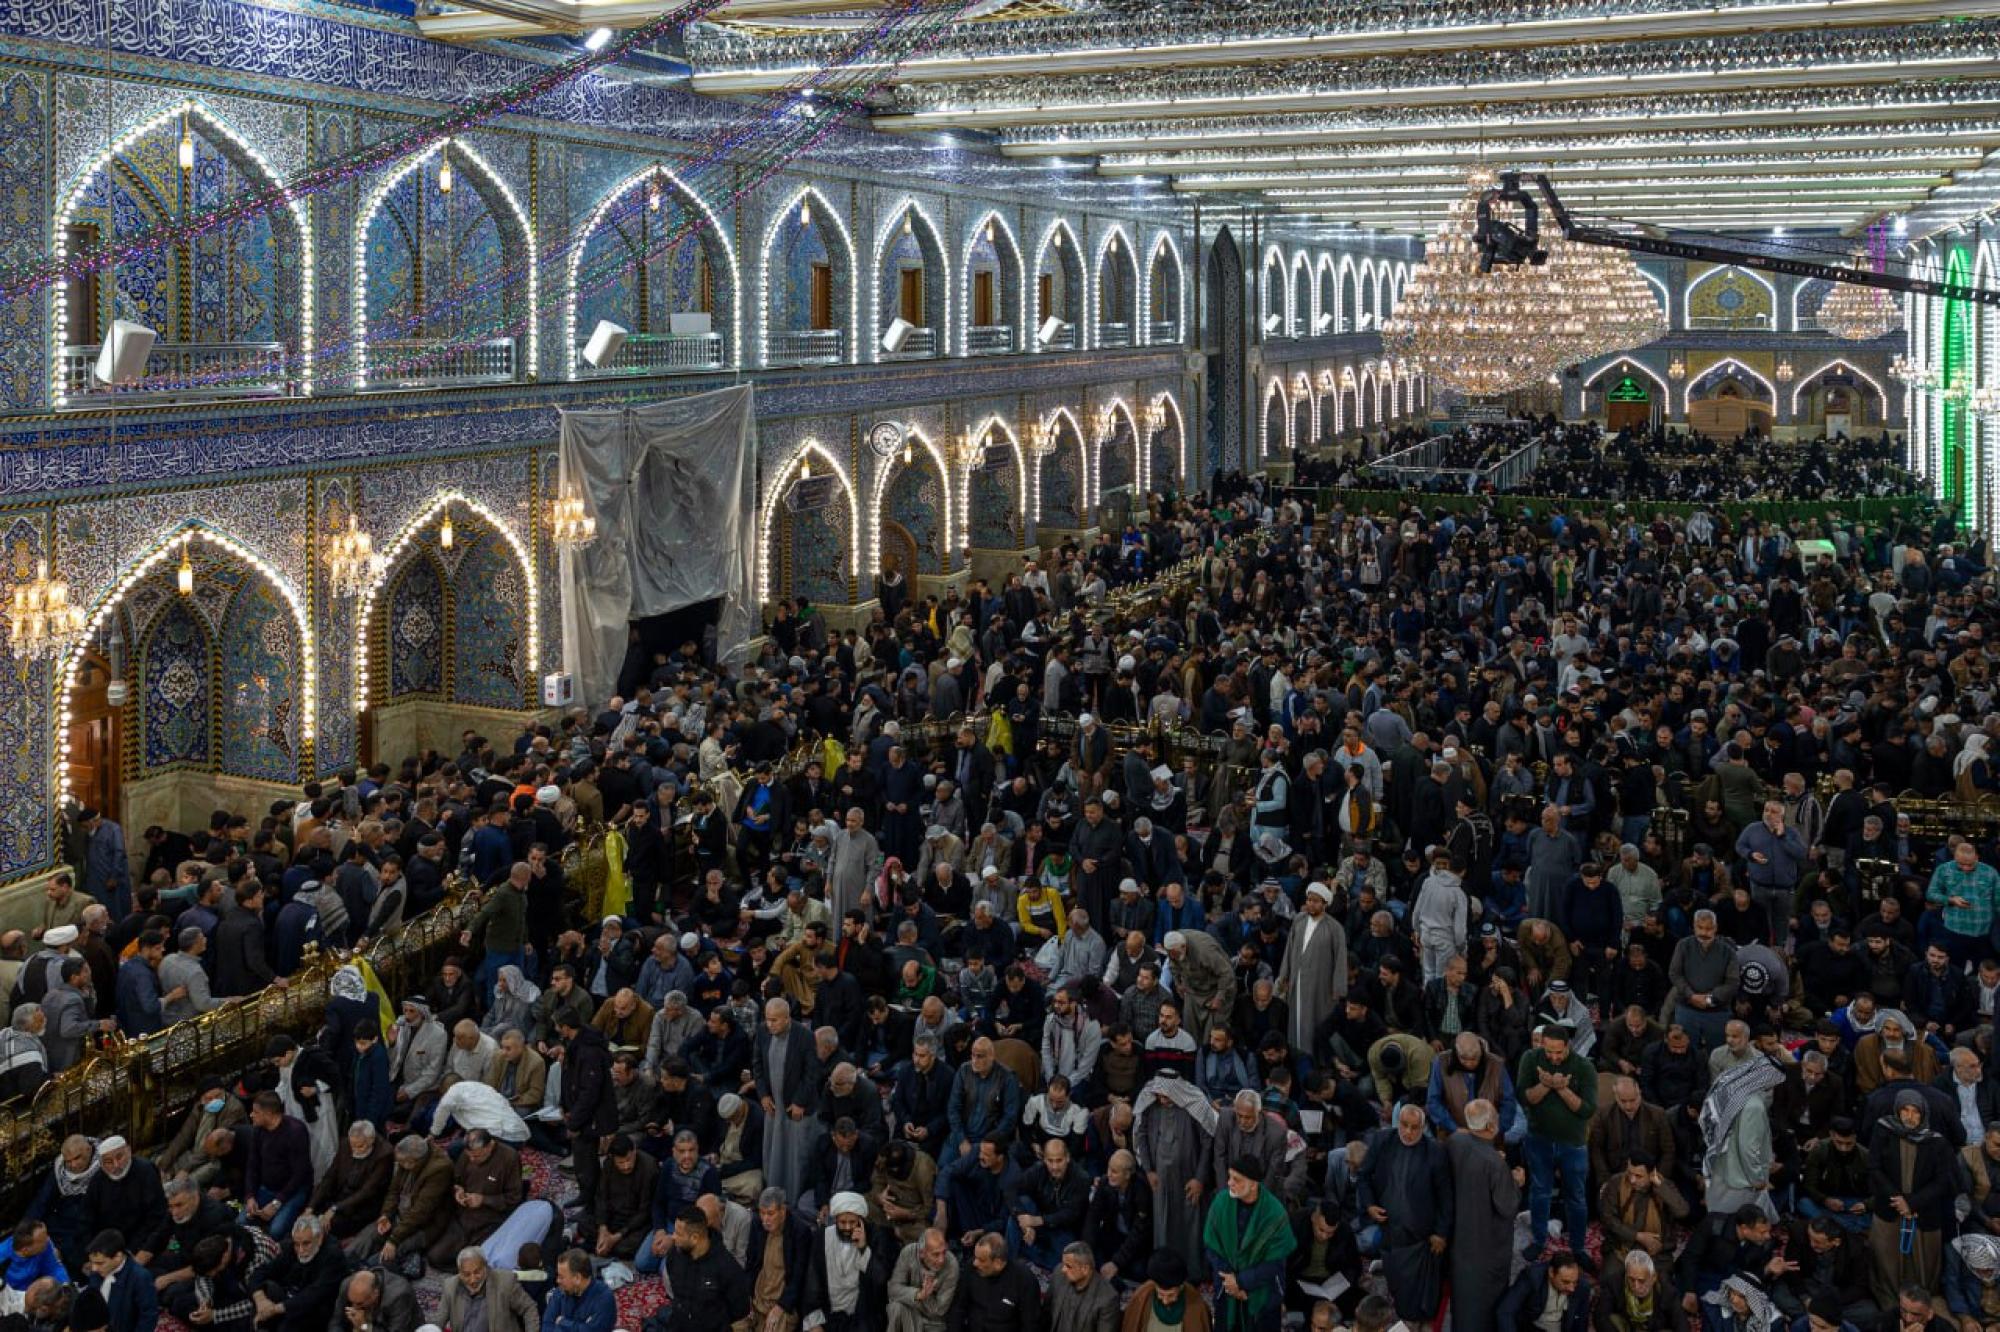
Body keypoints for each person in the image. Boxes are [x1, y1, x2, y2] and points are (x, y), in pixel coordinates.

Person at [1360, 1102, 1453, 1327]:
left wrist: (1441, 1232)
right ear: (1397, 1122)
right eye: (1404, 1125)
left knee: (1419, 1290)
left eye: (1414, 1127)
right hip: (1390, 1228)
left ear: (1423, 1128)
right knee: (1396, 1280)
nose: (1408, 1132)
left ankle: (1414, 1322)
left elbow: (1446, 1197)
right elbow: (1364, 1176)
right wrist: (1370, 1205)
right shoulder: (1382, 1141)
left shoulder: (1435, 1152)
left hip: (1421, 1236)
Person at [1867, 1089, 1955, 1306]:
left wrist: (1912, 1203)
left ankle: (1919, 1305)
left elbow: (1942, 1182)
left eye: (1916, 1112)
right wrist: (1898, 1200)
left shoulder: (1936, 1142)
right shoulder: (1884, 1130)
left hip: (1922, 1211)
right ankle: (1890, 1304)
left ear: (1923, 1114)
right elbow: (1874, 1168)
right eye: (1905, 1110)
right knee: (1888, 1259)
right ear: (1897, 1111)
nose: (1910, 1116)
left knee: (1921, 1263)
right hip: (1890, 1208)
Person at [1520, 1023, 1597, 1260]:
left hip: (1573, 1144)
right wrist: (1545, 1085)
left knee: (1576, 1196)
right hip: (1539, 1139)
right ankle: (1539, 1240)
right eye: (1549, 1051)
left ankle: (1578, 1247)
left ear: (1568, 1047)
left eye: (1559, 1052)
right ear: (1542, 1045)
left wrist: (1562, 1089)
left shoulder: (1584, 1067)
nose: (1554, 1057)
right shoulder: (1530, 1059)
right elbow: (1525, 1097)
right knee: (1540, 1192)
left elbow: (1587, 1110)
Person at [1447, 1099, 1521, 1332]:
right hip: (1486, 1248)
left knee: (1462, 1300)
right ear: (1490, 1126)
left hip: (1459, 1240)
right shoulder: (1495, 1164)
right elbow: (1508, 1206)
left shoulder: (1455, 1141)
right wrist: (1516, 1182)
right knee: (1485, 1306)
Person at [1133, 1068, 1213, 1280]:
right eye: (1159, 1095)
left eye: (1167, 1095)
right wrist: (1148, 1170)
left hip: (1189, 1178)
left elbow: (1207, 1142)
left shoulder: (1194, 1103)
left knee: (1191, 1226)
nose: (1163, 1099)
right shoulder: (1150, 1106)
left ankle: (1193, 1275)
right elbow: (1141, 1135)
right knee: (1163, 1225)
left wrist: (1199, 1178)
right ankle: (1164, 1275)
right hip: (1160, 1179)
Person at [1203, 1154, 1297, 1332]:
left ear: (1254, 1184)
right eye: (1230, 1177)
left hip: (1261, 1290)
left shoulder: (1274, 1213)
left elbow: (1275, 1262)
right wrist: (1231, 1281)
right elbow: (1211, 1246)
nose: (1229, 1183)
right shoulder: (1221, 1202)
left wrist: (1241, 1282)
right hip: (1227, 1286)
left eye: (1236, 1179)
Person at [802, 1193, 889, 1332]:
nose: (847, 1227)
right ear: (836, 1219)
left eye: (852, 1222)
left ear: (860, 1220)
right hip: (828, 1316)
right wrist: (814, 1323)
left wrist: (863, 1249)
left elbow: (880, 1281)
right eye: (842, 1222)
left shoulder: (875, 1237)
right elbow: (813, 1284)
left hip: (862, 1319)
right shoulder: (822, 1237)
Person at [655, 1206, 751, 1332]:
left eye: (679, 1234)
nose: (673, 1237)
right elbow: (675, 1293)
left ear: (694, 1238)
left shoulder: (727, 1267)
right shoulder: (675, 1255)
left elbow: (740, 1309)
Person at [247, 1215, 345, 1332]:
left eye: (306, 1243)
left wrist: (275, 1309)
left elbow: (314, 1295)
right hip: (290, 1299)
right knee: (266, 1289)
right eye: (297, 1244)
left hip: (315, 1311)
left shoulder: (333, 1256)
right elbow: (260, 1272)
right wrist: (261, 1300)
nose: (300, 1250)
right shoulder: (292, 1247)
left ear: (319, 1239)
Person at [944, 1232, 1041, 1332]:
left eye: (981, 1260)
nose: (975, 1263)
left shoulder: (1024, 1280)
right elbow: (957, 1308)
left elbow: (1030, 1325)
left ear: (998, 1263)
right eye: (975, 1257)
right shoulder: (971, 1268)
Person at [435, 1247, 539, 1332]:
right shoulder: (451, 1287)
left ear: (485, 1267)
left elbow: (529, 1308)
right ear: (460, 1273)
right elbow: (438, 1320)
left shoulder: (505, 1282)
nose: (472, 1280)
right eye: (467, 1274)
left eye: (477, 1272)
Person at [1498, 1252, 1594, 1332]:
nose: (1571, 1289)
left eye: (1575, 1282)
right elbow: (1505, 1312)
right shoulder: (1532, 1277)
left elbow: (1581, 1322)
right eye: (1565, 1282)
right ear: (1551, 1272)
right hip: (1532, 1326)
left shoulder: (1582, 1286)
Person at [885, 1228, 958, 1332]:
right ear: (922, 1253)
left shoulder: (952, 1265)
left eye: (944, 1252)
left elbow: (939, 1311)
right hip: (908, 1312)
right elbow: (893, 1290)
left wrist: (926, 1297)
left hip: (932, 1323)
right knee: (896, 1307)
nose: (941, 1260)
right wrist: (919, 1294)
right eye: (936, 1254)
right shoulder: (908, 1252)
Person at [82, 1229, 154, 1332]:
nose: (94, 1268)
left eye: (100, 1263)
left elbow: (148, 1317)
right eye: (92, 1262)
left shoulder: (140, 1278)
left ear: (118, 1257)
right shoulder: (97, 1273)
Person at [1047, 1240, 1118, 1332]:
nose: (1063, 1269)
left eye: (1068, 1266)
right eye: (1063, 1264)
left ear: (1085, 1269)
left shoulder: (1107, 1299)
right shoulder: (1058, 1275)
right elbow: (1045, 1316)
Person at [543, 1250, 615, 1332]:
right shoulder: (560, 1292)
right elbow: (546, 1327)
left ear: (577, 1278)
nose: (557, 1281)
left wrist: (562, 1322)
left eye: (561, 1277)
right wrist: (582, 1327)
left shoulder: (604, 1298)